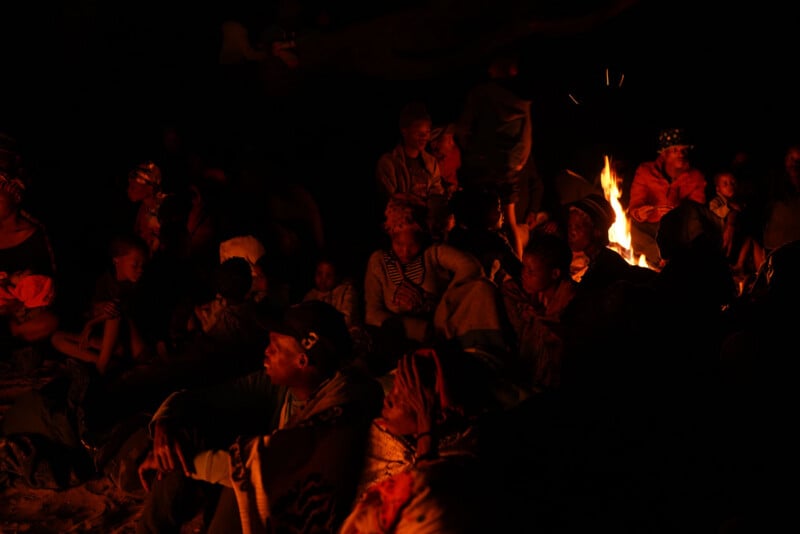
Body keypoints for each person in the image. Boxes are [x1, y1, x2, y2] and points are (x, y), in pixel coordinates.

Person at [135, 300, 384, 534]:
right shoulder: (282, 387)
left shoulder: (338, 408)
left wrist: (185, 463)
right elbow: (201, 399)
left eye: (275, 347)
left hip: (293, 514)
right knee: (182, 437)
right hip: (267, 486)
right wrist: (164, 425)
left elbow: (269, 469)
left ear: (302, 360)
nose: (266, 352)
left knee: (241, 484)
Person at [339, 347, 501, 534]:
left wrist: (425, 428)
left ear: (436, 414)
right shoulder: (380, 435)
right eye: (393, 387)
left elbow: (425, 501)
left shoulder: (461, 465)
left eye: (403, 394)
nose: (388, 399)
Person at [363, 195, 510, 376]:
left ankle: (484, 357)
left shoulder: (432, 254)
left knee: (482, 287)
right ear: (390, 237)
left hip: (440, 333)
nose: (405, 251)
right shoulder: (379, 262)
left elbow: (470, 267)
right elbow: (372, 313)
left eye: (412, 245)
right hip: (397, 338)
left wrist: (443, 302)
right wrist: (414, 327)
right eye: (399, 244)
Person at [456, 49, 541, 259]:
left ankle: (482, 266)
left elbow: (464, 129)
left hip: (481, 167)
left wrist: (471, 152)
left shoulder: (481, 94)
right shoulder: (522, 100)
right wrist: (518, 162)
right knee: (509, 222)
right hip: (507, 167)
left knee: (477, 221)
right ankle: (517, 266)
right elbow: (527, 136)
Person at [50, 233, 150, 376]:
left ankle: (101, 369)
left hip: (134, 348)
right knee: (57, 338)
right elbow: (95, 309)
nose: (140, 269)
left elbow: (117, 312)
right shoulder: (104, 281)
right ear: (116, 260)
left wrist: (90, 324)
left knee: (112, 314)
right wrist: (98, 309)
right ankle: (104, 363)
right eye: (135, 265)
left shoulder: (138, 285)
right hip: (112, 346)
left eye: (143, 265)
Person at [501, 232, 578, 393]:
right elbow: (510, 290)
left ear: (555, 273)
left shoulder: (569, 301)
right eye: (524, 268)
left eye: (531, 271)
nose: (524, 274)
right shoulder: (535, 292)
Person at [0, 168, 59, 360]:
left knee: (49, 322)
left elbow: (47, 284)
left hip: (23, 313)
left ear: (15, 196)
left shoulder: (35, 235)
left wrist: (17, 304)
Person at [628, 128, 707, 267]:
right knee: (632, 228)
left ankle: (670, 261)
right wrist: (640, 213)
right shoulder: (646, 171)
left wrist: (676, 213)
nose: (681, 154)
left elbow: (697, 210)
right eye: (675, 150)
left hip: (677, 229)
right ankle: (660, 259)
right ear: (664, 153)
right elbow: (635, 203)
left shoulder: (696, 177)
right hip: (649, 227)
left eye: (684, 150)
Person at [375, 101, 449, 241]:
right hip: (400, 230)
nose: (424, 138)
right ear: (405, 131)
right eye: (419, 133)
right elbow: (390, 199)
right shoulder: (389, 162)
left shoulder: (430, 162)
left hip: (426, 229)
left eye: (427, 133)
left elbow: (436, 193)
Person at [301, 254, 361, 333]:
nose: (323, 280)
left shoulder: (346, 291)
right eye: (319, 274)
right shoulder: (311, 296)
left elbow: (347, 319)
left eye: (328, 276)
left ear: (337, 276)